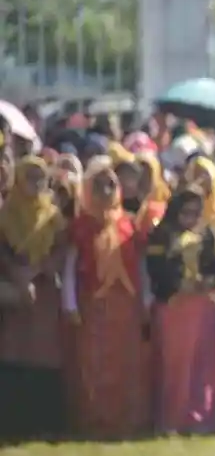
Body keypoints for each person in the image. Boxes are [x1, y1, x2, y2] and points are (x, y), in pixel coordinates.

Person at [62, 157, 152, 439]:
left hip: (125, 305)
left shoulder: (128, 224)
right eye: (99, 185)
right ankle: (95, 420)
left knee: (125, 363)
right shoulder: (81, 226)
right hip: (93, 305)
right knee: (94, 363)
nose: (106, 190)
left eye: (111, 184)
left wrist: (146, 299)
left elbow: (141, 266)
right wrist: (70, 303)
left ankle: (123, 420)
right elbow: (70, 268)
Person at [144, 187, 215, 434]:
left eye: (196, 212)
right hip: (174, 306)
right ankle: (172, 418)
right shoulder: (162, 234)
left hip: (201, 307)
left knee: (203, 361)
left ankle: (200, 417)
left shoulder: (206, 233)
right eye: (187, 212)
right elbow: (156, 268)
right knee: (175, 363)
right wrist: (180, 285)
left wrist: (208, 282)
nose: (192, 218)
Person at [0, 156, 69, 442]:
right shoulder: (6, 214)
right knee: (15, 352)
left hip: (44, 291)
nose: (36, 184)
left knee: (44, 354)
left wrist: (38, 270)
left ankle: (43, 423)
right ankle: (13, 422)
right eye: (30, 177)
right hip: (16, 291)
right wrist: (18, 274)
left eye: (41, 178)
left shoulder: (53, 216)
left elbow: (62, 248)